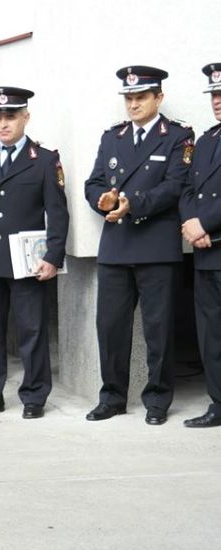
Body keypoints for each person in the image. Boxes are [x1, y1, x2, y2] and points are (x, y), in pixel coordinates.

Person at [84, 66, 194, 426]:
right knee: (110, 328)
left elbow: (176, 185)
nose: (133, 104)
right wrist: (101, 199)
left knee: (158, 328)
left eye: (141, 97)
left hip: (156, 246)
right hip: (116, 245)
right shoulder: (112, 137)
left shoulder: (178, 136)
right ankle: (112, 397)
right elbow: (94, 182)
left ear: (158, 97)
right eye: (129, 98)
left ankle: (158, 400)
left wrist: (133, 202)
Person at [0, 87, 68, 418]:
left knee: (31, 330)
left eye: (11, 117)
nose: (4, 124)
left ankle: (34, 396)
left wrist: (53, 255)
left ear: (25, 118)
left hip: (27, 262)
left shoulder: (45, 160)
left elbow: (58, 212)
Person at [180, 63, 221, 428]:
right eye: (215, 95)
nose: (218, 102)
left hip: (214, 236)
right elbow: (188, 189)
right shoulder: (207, 141)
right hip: (207, 253)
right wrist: (192, 225)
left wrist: (204, 222)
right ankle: (219, 404)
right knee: (211, 334)